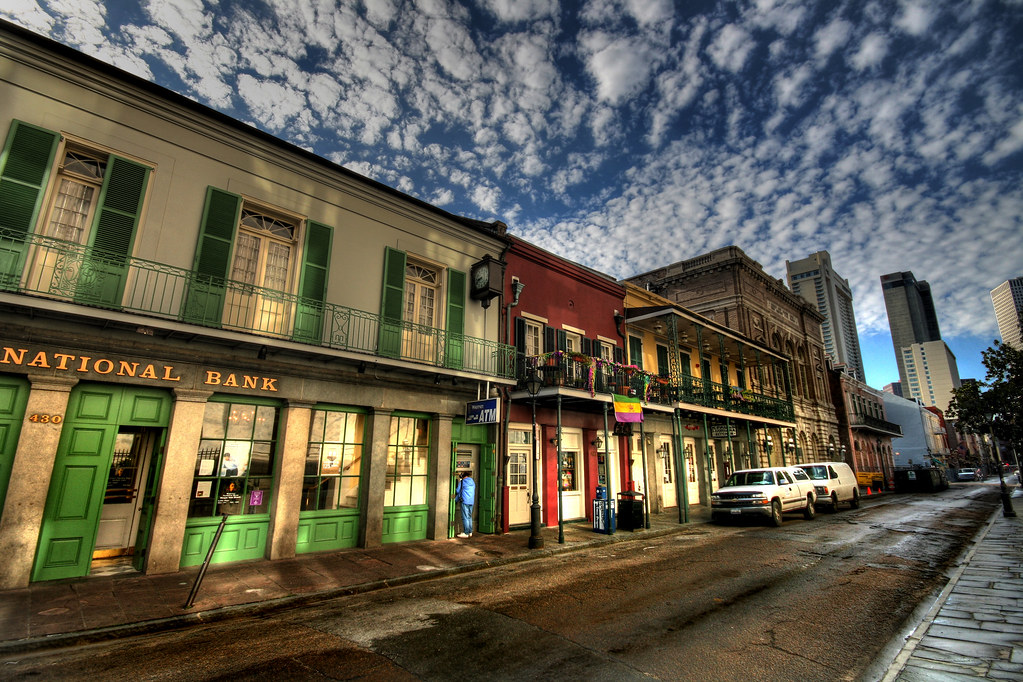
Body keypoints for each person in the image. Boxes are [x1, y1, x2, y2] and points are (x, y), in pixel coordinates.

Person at [455, 471, 475, 538]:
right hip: (471, 501)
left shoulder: (462, 482)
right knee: (469, 517)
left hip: (464, 501)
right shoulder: (472, 482)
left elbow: (457, 491)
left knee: (465, 517)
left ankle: (466, 533)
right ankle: (470, 532)